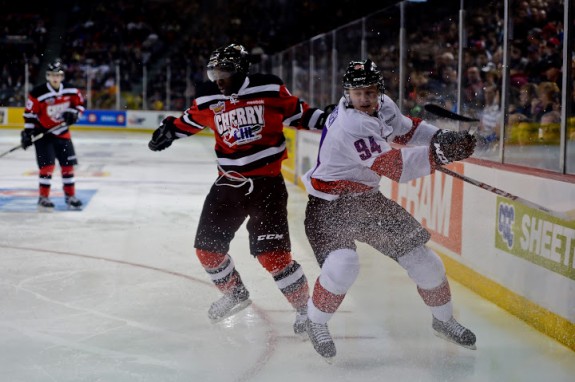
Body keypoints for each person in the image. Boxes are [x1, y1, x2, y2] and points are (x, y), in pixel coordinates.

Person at [148, 43, 332, 333]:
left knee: (273, 257)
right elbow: (190, 120)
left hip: (267, 186)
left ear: (242, 70)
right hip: (227, 185)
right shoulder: (209, 96)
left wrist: (329, 119)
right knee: (207, 250)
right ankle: (235, 293)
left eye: (224, 72)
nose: (218, 79)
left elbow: (299, 114)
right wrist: (169, 130)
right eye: (214, 73)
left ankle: (304, 311)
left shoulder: (269, 89)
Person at [301, 59, 477, 359]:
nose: (364, 99)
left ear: (379, 91)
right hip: (328, 205)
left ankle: (444, 320)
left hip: (367, 201)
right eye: (358, 93)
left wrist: (439, 138)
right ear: (347, 94)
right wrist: (440, 154)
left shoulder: (383, 106)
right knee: (343, 266)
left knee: (426, 263)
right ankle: (315, 323)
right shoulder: (350, 125)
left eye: (369, 92)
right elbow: (396, 168)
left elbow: (406, 131)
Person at [21, 59, 85, 210]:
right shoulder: (37, 93)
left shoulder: (71, 91)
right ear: (47, 76)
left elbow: (80, 105)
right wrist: (27, 133)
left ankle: (70, 196)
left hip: (62, 133)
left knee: (68, 167)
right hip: (43, 135)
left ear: (62, 77)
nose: (55, 78)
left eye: (58, 75)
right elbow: (30, 115)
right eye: (52, 75)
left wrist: (74, 114)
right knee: (47, 167)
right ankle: (43, 197)